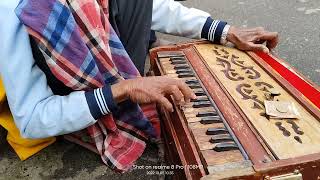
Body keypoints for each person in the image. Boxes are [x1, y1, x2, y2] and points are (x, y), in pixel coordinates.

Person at [0, 0, 278, 171]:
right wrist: (122, 90)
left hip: (106, 61)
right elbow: (32, 119)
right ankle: (121, 100)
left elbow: (151, 7)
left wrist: (224, 30)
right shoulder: (12, 9)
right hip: (72, 95)